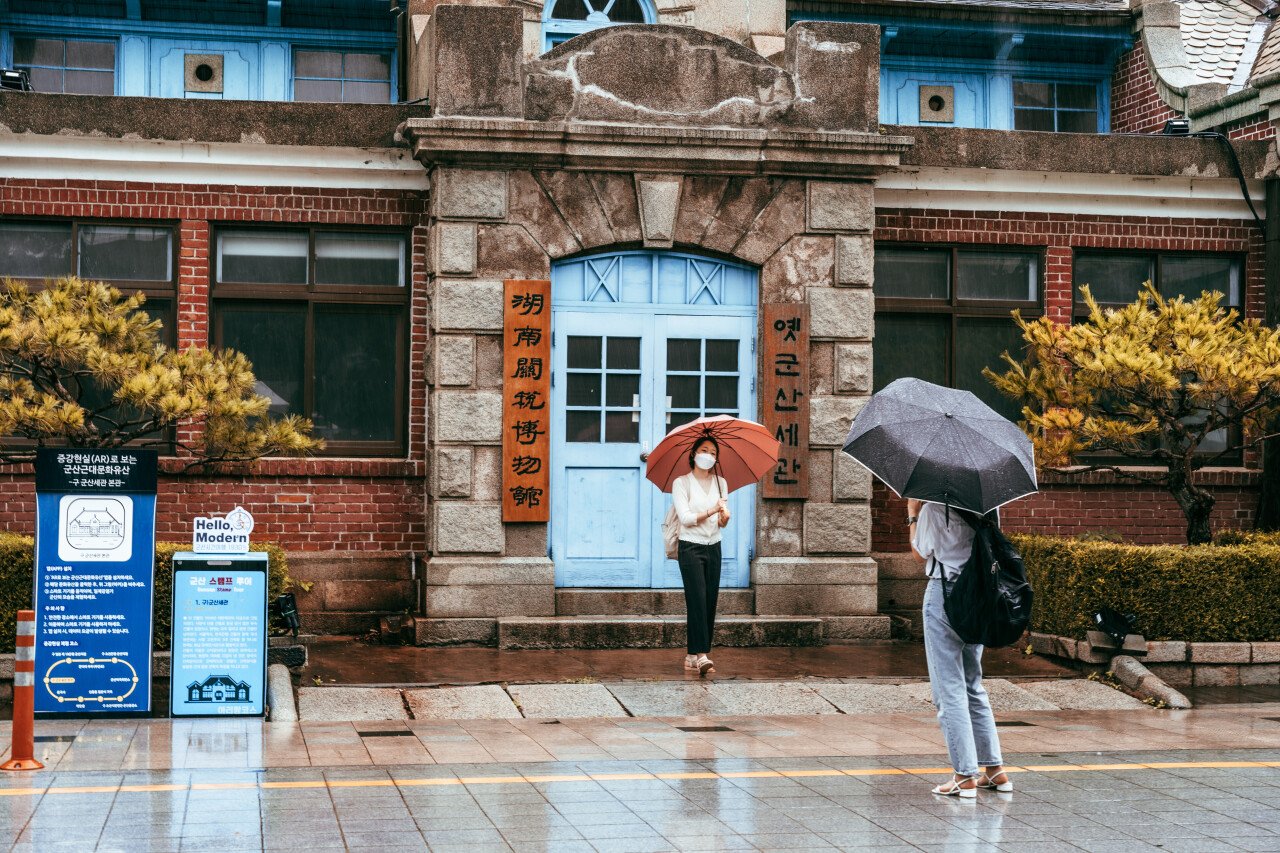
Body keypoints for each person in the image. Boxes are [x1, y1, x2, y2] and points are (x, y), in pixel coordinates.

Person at [908, 497, 1013, 798]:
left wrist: (913, 515)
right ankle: (995, 770)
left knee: (948, 688)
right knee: (972, 684)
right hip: (979, 596)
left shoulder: (932, 509)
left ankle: (965, 775)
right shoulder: (987, 506)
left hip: (945, 597)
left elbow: (918, 554)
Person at [672, 436, 729, 676]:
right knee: (696, 598)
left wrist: (723, 517)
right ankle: (702, 655)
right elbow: (685, 518)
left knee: (709, 599)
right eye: (704, 450)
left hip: (713, 545)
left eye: (713, 453)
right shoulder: (681, 483)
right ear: (694, 453)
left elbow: (721, 521)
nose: (709, 455)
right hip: (690, 546)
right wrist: (712, 510)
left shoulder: (721, 482)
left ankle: (690, 655)